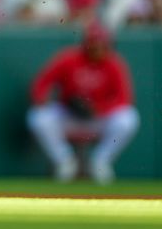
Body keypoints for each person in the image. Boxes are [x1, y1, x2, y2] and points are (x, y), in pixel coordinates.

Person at [26, 22, 140, 184]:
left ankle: (100, 162)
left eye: (101, 44)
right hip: (69, 115)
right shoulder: (69, 58)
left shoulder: (114, 63)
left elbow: (124, 98)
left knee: (128, 118)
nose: (97, 48)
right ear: (86, 43)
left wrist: (99, 108)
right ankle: (64, 161)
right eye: (93, 43)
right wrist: (41, 98)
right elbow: (41, 83)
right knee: (38, 117)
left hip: (98, 118)